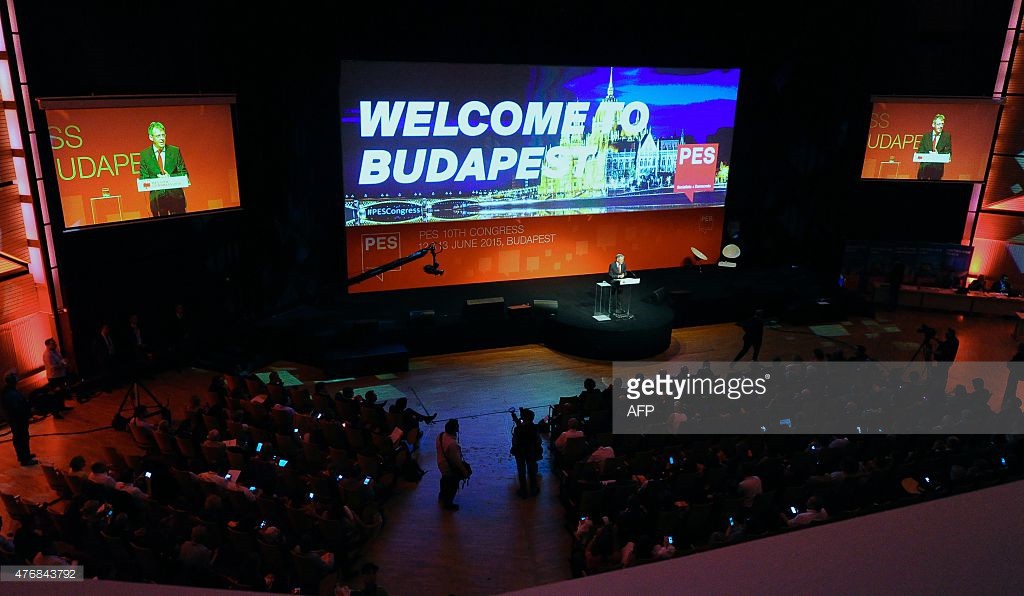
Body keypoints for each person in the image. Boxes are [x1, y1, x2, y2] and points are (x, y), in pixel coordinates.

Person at [139, 121, 189, 217]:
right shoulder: (145, 155)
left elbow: (184, 174)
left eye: (163, 135)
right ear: (151, 137)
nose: (162, 138)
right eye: (158, 136)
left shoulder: (175, 151)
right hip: (157, 201)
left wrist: (170, 178)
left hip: (176, 199)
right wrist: (158, 181)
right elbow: (144, 179)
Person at [1, 370, 36, 466]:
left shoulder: (10, 390)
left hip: (18, 419)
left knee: (23, 437)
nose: (18, 379)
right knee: (21, 438)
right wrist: (27, 411)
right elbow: (16, 408)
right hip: (17, 419)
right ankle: (25, 459)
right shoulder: (9, 393)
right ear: (12, 380)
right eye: (16, 377)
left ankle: (26, 455)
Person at [436, 419, 469, 511]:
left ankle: (442, 495)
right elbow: (457, 461)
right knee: (453, 485)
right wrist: (464, 471)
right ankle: (448, 504)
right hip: (448, 467)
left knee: (444, 480)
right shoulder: (453, 444)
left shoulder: (440, 436)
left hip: (440, 463)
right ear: (455, 429)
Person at [509, 407, 543, 498]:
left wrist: (514, 449)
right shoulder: (535, 428)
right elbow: (538, 441)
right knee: (532, 472)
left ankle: (523, 491)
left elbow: (515, 442)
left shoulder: (518, 429)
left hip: (520, 453)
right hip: (531, 452)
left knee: (521, 472)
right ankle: (533, 490)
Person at [916, 113, 951, 181]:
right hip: (924, 169)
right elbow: (920, 151)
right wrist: (929, 155)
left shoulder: (946, 136)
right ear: (933, 125)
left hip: (937, 170)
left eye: (942, 124)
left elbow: (948, 153)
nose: (941, 126)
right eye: (938, 124)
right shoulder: (926, 136)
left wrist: (938, 155)